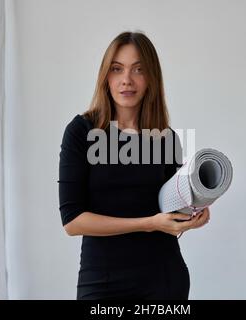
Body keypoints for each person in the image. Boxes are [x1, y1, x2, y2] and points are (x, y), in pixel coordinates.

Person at [58, 31, 210, 300]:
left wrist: (192, 214)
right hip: (102, 281)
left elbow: (170, 209)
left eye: (138, 70)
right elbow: (73, 222)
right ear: (106, 76)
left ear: (151, 77)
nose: (126, 80)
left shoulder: (166, 138)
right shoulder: (81, 131)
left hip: (163, 278)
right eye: (117, 69)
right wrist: (149, 223)